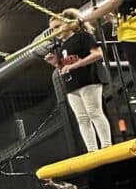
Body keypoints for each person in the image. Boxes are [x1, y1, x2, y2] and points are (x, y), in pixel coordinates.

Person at [45, 9, 112, 152]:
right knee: (81, 117)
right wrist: (56, 63)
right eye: (52, 29)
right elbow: (65, 66)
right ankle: (92, 149)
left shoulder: (82, 36)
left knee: (94, 112)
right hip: (71, 84)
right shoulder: (61, 46)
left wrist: (76, 64)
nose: (55, 31)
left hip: (88, 79)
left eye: (57, 27)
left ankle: (106, 145)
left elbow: (97, 54)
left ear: (69, 24)